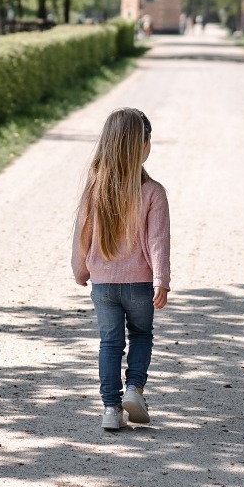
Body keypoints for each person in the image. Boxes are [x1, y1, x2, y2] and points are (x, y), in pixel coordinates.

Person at [71, 108, 171, 431]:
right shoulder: (153, 192)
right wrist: (161, 279)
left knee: (110, 342)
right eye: (148, 139)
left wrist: (80, 270)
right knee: (141, 334)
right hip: (140, 284)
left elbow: (81, 236)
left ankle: (111, 409)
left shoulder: (95, 189)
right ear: (141, 146)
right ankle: (134, 390)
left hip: (103, 285)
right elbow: (158, 241)